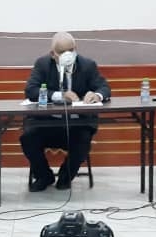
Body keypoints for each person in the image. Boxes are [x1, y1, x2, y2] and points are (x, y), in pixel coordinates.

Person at [21, 32, 111, 191]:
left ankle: (65, 177)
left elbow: (104, 87)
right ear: (52, 54)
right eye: (62, 52)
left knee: (83, 141)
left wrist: (97, 95)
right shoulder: (43, 64)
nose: (67, 55)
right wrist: (59, 96)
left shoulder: (87, 65)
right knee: (27, 139)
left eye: (71, 50)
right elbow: (31, 90)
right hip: (46, 123)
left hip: (78, 123)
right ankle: (44, 176)